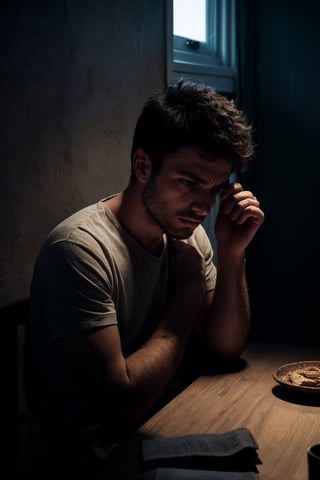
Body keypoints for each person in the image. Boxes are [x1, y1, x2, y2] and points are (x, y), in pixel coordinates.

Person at [29, 78, 265, 478]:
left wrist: (232, 253)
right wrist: (189, 291)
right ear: (143, 166)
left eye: (215, 190)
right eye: (189, 183)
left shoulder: (188, 233)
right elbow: (122, 403)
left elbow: (224, 349)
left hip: (166, 423)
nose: (203, 206)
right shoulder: (79, 249)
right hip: (93, 458)